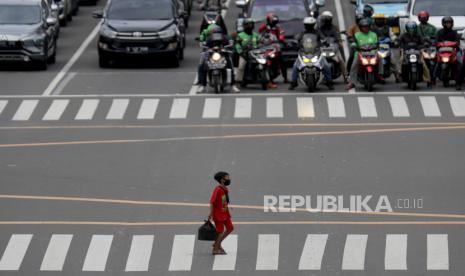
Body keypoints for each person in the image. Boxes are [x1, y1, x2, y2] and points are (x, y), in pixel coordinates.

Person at [289, 17, 333, 90]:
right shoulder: (302, 32)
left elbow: (323, 38)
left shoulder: (317, 32)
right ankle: (294, 82)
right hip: (304, 52)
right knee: (295, 66)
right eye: (307, 25)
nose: (308, 26)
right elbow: (297, 38)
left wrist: (325, 42)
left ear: (313, 25)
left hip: (316, 51)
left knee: (326, 66)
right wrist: (294, 42)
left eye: (310, 25)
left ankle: (329, 82)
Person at [198, 26, 240, 93]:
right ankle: (203, 85)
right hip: (212, 55)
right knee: (203, 66)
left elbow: (230, 45)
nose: (217, 36)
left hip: (223, 55)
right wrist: (207, 49)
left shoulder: (225, 38)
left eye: (218, 34)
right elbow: (205, 46)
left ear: (222, 34)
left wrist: (228, 48)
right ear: (212, 34)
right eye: (215, 34)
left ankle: (233, 85)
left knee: (230, 65)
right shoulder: (209, 39)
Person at [346, 19, 378, 90]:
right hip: (360, 53)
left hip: (372, 53)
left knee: (380, 58)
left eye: (367, 26)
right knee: (354, 65)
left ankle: (380, 75)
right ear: (360, 27)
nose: (365, 28)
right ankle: (352, 82)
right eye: (364, 27)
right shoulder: (357, 35)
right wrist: (354, 45)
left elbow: (376, 43)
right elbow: (354, 43)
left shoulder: (373, 34)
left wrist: (377, 46)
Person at [398, 21, 432, 87]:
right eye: (410, 28)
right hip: (406, 52)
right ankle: (399, 75)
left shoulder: (418, 36)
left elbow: (422, 43)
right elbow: (399, 41)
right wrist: (397, 43)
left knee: (424, 64)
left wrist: (424, 45)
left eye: (413, 28)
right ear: (407, 29)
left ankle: (428, 80)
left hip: (417, 53)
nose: (411, 30)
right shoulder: (403, 36)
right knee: (401, 61)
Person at [258, 13, 288, 85]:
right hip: (265, 46)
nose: (273, 22)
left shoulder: (278, 28)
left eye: (274, 21)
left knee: (282, 61)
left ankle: (285, 78)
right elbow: (259, 32)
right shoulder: (265, 27)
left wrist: (281, 39)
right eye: (272, 20)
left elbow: (281, 34)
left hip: (275, 47)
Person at [318, 11, 348, 83]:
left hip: (333, 47)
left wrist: (340, 42)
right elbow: (317, 36)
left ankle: (346, 76)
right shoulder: (319, 28)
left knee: (340, 60)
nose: (325, 21)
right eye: (324, 19)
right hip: (323, 47)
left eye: (326, 19)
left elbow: (337, 36)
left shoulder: (334, 28)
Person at [208, 171, 234, 255]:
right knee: (220, 231)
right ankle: (215, 249)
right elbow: (212, 201)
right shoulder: (218, 190)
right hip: (218, 215)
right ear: (222, 180)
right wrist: (211, 214)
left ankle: (217, 243)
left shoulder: (225, 189)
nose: (229, 179)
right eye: (227, 177)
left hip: (225, 213)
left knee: (230, 228)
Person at [371, 13, 401, 82]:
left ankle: (397, 75)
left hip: (386, 48)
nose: (379, 21)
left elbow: (393, 36)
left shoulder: (388, 28)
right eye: (378, 19)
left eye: (381, 19)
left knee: (393, 60)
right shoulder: (371, 28)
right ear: (375, 20)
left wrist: (395, 41)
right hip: (375, 48)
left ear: (384, 20)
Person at [436, 16, 463, 90]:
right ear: (443, 24)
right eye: (446, 23)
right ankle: (432, 79)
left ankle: (458, 83)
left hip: (454, 51)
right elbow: (436, 42)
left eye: (449, 23)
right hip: (443, 52)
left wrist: (456, 43)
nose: (448, 24)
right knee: (434, 63)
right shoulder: (439, 32)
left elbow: (458, 41)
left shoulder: (454, 33)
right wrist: (437, 44)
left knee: (460, 65)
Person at [235, 18, 260, 86]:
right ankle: (238, 80)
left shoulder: (256, 35)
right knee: (241, 67)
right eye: (248, 24)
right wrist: (240, 51)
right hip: (245, 53)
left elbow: (260, 42)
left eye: (251, 24)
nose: (250, 26)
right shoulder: (240, 35)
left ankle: (268, 79)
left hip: (256, 53)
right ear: (244, 26)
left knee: (264, 63)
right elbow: (237, 44)